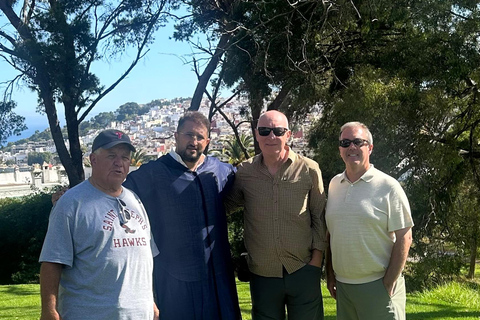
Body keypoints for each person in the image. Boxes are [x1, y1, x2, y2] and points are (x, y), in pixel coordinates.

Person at [123, 111, 241, 320]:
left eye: (199, 137)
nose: (193, 141)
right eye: (188, 135)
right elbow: (113, 191)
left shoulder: (220, 171)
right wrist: (75, 194)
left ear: (207, 141)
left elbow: (250, 182)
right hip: (174, 277)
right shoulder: (152, 173)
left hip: (217, 275)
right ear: (176, 136)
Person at [39, 129, 159, 320]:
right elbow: (52, 262)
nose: (119, 163)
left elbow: (143, 260)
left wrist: (150, 302)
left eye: (125, 157)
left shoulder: (135, 201)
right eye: (111, 156)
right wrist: (49, 310)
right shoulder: (71, 203)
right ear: (93, 160)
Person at [227, 110, 327, 320]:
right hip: (262, 273)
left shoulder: (309, 169)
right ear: (256, 134)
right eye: (264, 131)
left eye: (278, 131)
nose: (271, 137)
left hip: (303, 268)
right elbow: (225, 206)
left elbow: (319, 217)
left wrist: (316, 261)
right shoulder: (244, 172)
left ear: (288, 134)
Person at [325, 121, 414, 320]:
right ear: (340, 149)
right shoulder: (333, 185)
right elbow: (332, 233)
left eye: (358, 142)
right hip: (344, 289)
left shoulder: (388, 186)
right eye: (345, 143)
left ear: (370, 147)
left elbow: (405, 237)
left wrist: (388, 283)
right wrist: (330, 274)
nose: (352, 147)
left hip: (378, 286)